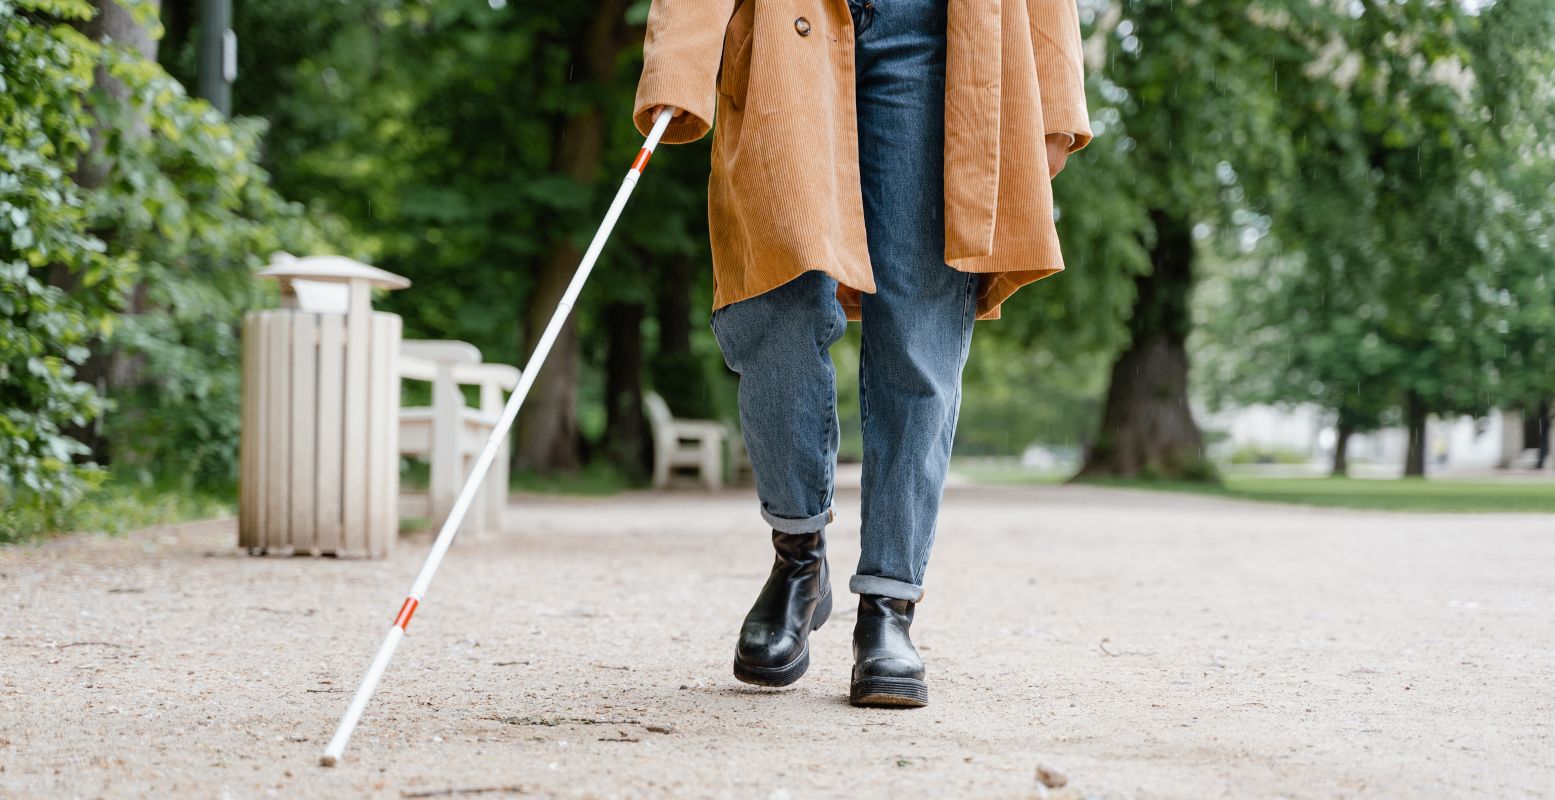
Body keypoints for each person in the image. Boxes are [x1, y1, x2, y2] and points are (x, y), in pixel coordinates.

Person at [632, 0, 1091, 707]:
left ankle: (888, 608)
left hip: (936, 45)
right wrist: (674, 61)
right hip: (789, 37)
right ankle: (797, 557)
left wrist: (1053, 97)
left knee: (916, 336)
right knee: (774, 297)